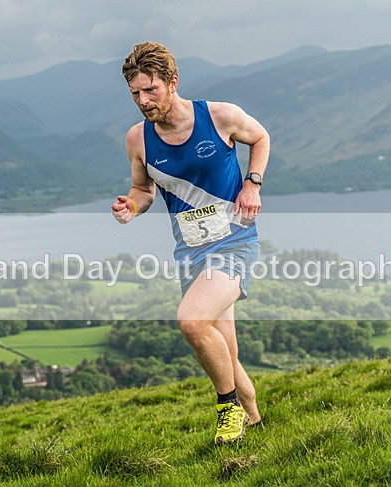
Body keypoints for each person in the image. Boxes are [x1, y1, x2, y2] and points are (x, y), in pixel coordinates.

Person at [112, 42, 271, 445]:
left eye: (151, 90)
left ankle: (227, 409)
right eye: (135, 94)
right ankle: (255, 421)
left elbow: (261, 138)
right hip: (191, 253)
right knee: (225, 353)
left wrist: (252, 185)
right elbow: (142, 188)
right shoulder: (138, 140)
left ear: (172, 82)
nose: (143, 101)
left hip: (234, 242)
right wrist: (132, 205)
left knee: (192, 321)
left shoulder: (220, 116)